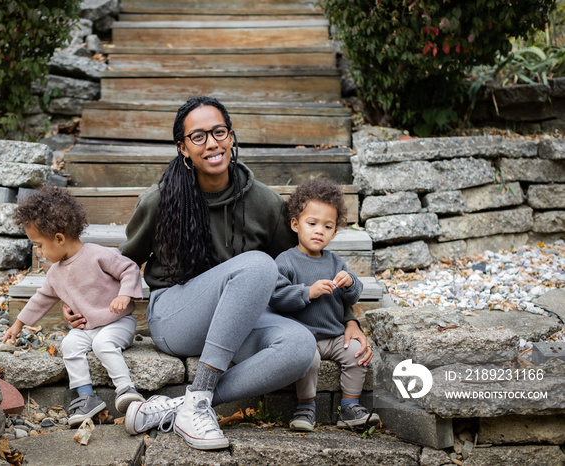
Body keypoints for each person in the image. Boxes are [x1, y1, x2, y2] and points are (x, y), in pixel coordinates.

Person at [64, 96, 373, 450]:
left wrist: (350, 319)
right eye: (198, 136)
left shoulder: (264, 202)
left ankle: (187, 403)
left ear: (231, 137)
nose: (212, 143)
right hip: (178, 317)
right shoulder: (160, 200)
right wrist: (81, 302)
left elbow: (304, 263)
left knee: (301, 347)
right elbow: (124, 262)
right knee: (258, 264)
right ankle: (198, 404)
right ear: (182, 148)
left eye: (219, 132)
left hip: (240, 320)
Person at [2, 186, 145, 427]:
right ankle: (86, 396)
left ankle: (125, 389)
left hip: (118, 323)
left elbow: (129, 268)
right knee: (69, 343)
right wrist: (18, 324)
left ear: (59, 238)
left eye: (39, 245)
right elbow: (41, 299)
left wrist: (124, 294)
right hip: (87, 328)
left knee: (103, 344)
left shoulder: (98, 254)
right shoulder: (55, 274)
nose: (38, 252)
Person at [269, 178, 380, 431]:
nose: (319, 230)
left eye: (327, 226)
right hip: (305, 336)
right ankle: (306, 407)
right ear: (296, 224)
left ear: (334, 232)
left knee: (357, 354)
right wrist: (308, 292)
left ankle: (349, 407)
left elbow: (352, 297)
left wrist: (351, 281)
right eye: (312, 223)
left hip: (335, 336)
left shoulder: (335, 262)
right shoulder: (286, 261)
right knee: (309, 360)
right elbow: (276, 297)